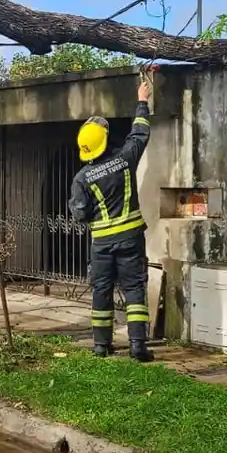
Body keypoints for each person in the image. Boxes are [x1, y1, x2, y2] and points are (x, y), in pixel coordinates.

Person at [69, 75, 155, 362]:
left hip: (102, 243)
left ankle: (101, 346)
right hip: (131, 239)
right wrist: (142, 101)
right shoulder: (125, 159)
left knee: (102, 291)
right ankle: (137, 347)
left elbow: (79, 214)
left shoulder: (81, 179)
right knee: (133, 290)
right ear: (105, 141)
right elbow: (140, 133)